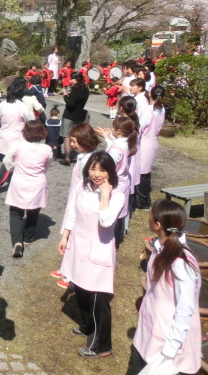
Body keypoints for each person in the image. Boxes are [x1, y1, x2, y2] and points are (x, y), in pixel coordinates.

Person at [126, 200, 202, 375]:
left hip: (165, 339)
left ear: (158, 224)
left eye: (151, 216)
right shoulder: (160, 248)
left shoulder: (181, 264)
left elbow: (185, 309)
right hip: (149, 329)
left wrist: (170, 349)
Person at [58, 151, 125, 359]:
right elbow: (73, 212)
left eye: (102, 169)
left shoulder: (117, 195)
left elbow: (106, 222)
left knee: (98, 298)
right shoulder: (82, 187)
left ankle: (101, 345)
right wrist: (65, 236)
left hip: (99, 250)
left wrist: (105, 195)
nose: (97, 174)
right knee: (80, 289)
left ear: (110, 171)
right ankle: (87, 325)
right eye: (93, 168)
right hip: (78, 245)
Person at [50, 123, 101, 288]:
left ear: (85, 140)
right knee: (69, 234)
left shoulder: (91, 159)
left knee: (75, 236)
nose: (71, 144)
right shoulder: (83, 156)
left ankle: (72, 275)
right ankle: (66, 268)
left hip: (80, 201)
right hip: (74, 199)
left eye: (74, 141)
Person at [4, 120, 52, 258]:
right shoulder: (47, 149)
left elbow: (7, 161)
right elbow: (47, 165)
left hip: (19, 181)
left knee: (15, 212)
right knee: (34, 210)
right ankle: (28, 236)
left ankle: (17, 242)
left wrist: (13, 168)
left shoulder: (17, 145)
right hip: (37, 182)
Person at [96, 117, 136, 248]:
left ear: (118, 130)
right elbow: (115, 145)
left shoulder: (117, 148)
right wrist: (107, 137)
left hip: (115, 184)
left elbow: (109, 163)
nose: (111, 130)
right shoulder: (127, 142)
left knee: (112, 213)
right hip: (123, 182)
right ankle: (118, 238)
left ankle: (111, 242)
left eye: (113, 128)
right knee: (120, 213)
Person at [135, 86, 166, 210]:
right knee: (146, 172)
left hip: (145, 142)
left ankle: (143, 202)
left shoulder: (149, 110)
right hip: (153, 141)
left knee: (142, 172)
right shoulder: (161, 109)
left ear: (149, 95)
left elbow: (140, 126)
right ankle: (144, 199)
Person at [60, 72, 90, 165]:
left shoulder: (76, 89)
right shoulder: (86, 89)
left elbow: (70, 104)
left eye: (72, 79)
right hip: (79, 114)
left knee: (67, 137)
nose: (70, 81)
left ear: (76, 79)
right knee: (76, 136)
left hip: (70, 115)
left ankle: (67, 157)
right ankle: (77, 155)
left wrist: (65, 95)